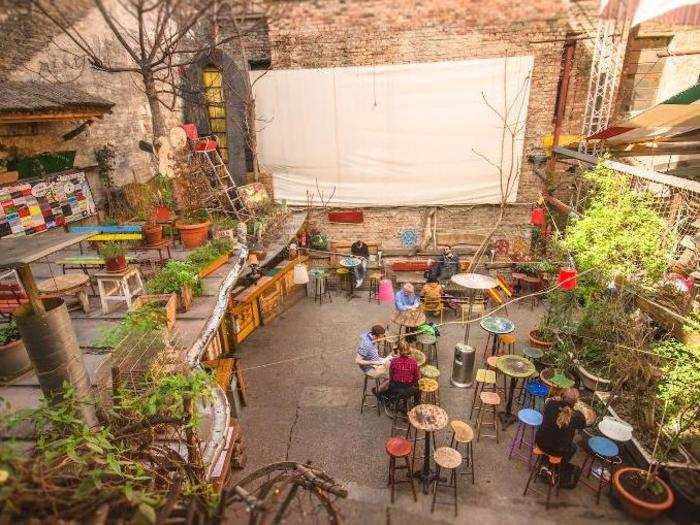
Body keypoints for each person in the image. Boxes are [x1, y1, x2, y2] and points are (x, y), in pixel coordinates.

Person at [535, 388, 587, 468]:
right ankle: (556, 468)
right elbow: (583, 425)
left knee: (552, 436)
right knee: (573, 448)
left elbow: (548, 406)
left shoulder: (551, 404)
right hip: (557, 451)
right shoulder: (576, 416)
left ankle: (544, 462)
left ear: (562, 396)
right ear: (575, 402)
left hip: (540, 442)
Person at [375, 341, 421, 405]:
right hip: (409, 389)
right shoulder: (413, 363)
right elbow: (416, 378)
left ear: (399, 351)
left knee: (388, 383)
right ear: (409, 350)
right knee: (418, 388)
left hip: (395, 388)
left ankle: (386, 397)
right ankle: (416, 404)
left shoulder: (394, 361)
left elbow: (391, 376)